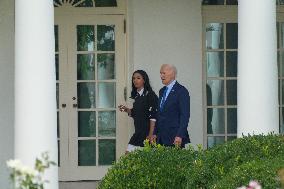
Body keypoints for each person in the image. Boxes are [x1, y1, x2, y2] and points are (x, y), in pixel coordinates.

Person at [118, 70, 158, 153]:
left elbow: (154, 116)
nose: (135, 80)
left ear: (144, 80)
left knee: (146, 162)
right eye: (133, 78)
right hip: (138, 133)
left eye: (138, 78)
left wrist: (151, 134)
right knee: (129, 159)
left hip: (147, 134)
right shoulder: (137, 96)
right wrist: (126, 110)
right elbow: (136, 113)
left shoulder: (150, 95)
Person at [152, 64, 190, 148]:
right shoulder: (162, 91)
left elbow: (185, 115)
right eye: (160, 73)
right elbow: (159, 114)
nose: (161, 76)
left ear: (172, 74)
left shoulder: (181, 91)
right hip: (160, 137)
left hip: (174, 138)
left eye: (163, 73)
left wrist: (180, 135)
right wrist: (155, 133)